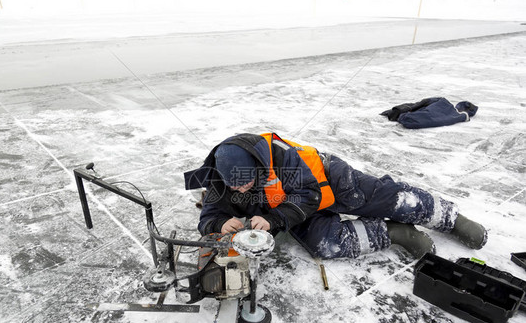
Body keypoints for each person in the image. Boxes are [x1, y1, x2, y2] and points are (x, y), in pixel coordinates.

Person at [184, 132, 487, 259]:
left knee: (388, 198)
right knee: (324, 244)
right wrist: (218, 225)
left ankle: (451, 219)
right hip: (294, 212)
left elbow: (309, 194)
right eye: (234, 185)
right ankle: (396, 234)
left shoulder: (282, 159)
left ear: (259, 167)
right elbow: (209, 215)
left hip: (328, 181)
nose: (239, 189)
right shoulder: (222, 180)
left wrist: (273, 217)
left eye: (246, 181)